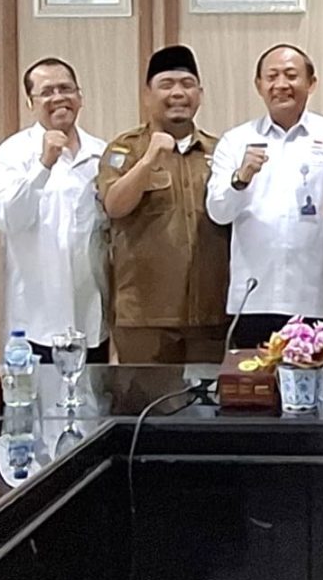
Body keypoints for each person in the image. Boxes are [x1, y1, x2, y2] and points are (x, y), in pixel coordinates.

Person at [207, 43, 323, 348]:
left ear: (311, 83)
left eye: (291, 75)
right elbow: (218, 212)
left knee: (314, 378)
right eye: (272, 76)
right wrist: (241, 178)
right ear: (259, 85)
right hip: (252, 298)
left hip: (317, 296)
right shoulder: (235, 141)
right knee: (252, 379)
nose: (281, 84)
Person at [97, 46, 230, 363]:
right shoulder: (125, 149)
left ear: (200, 94)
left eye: (187, 84)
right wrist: (149, 159)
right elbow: (114, 205)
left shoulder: (221, 150)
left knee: (209, 395)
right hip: (145, 317)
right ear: (147, 95)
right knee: (144, 395)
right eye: (166, 84)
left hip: (211, 313)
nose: (178, 93)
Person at [0, 57, 109, 357]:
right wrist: (44, 165)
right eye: (47, 92)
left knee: (95, 387)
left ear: (80, 96)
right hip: (36, 317)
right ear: (31, 102)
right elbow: (8, 218)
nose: (58, 98)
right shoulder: (13, 152)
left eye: (66, 88)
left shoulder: (101, 152)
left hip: (91, 312)